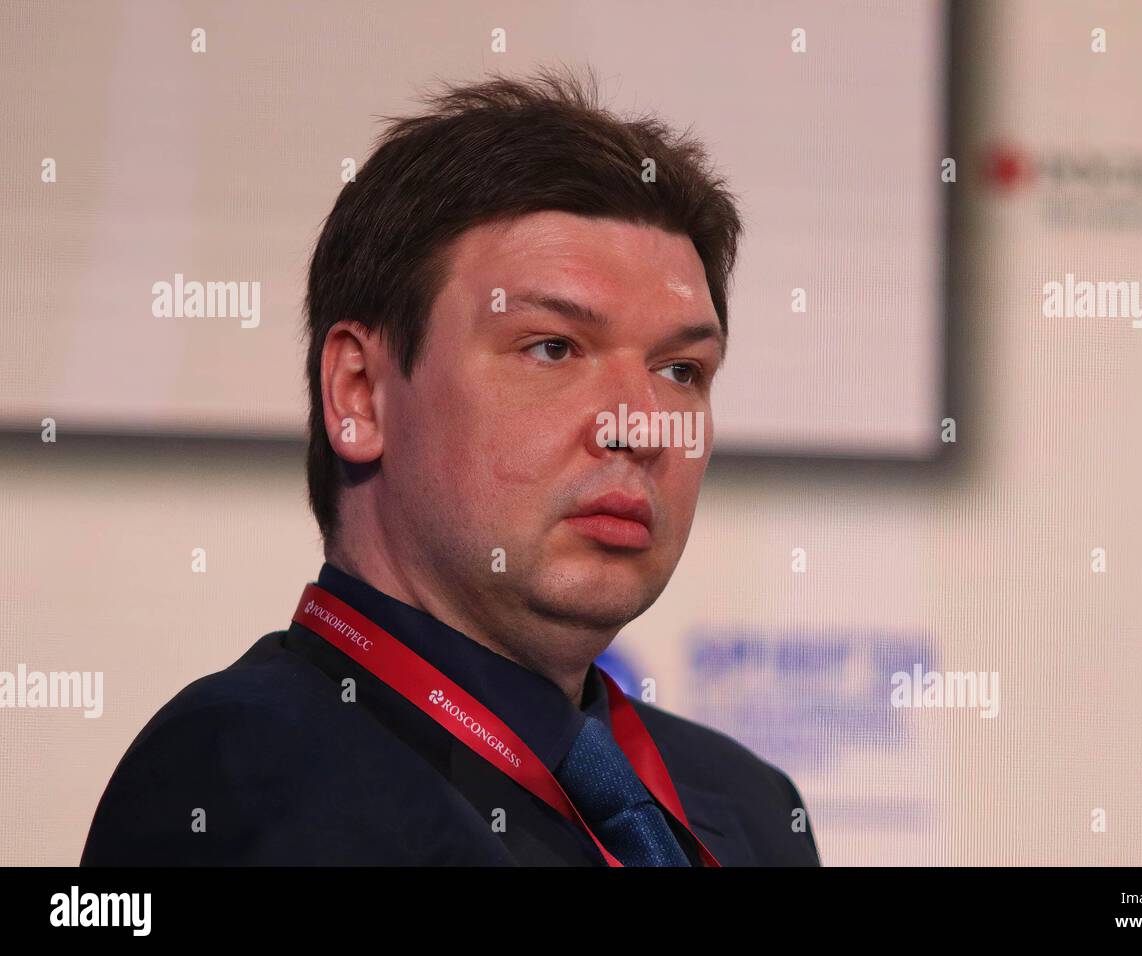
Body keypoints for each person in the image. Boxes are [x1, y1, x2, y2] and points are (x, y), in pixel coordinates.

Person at [81, 65, 820, 867]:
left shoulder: (750, 807)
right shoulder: (236, 778)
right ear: (360, 394)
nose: (637, 425)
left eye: (681, 371)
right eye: (552, 348)